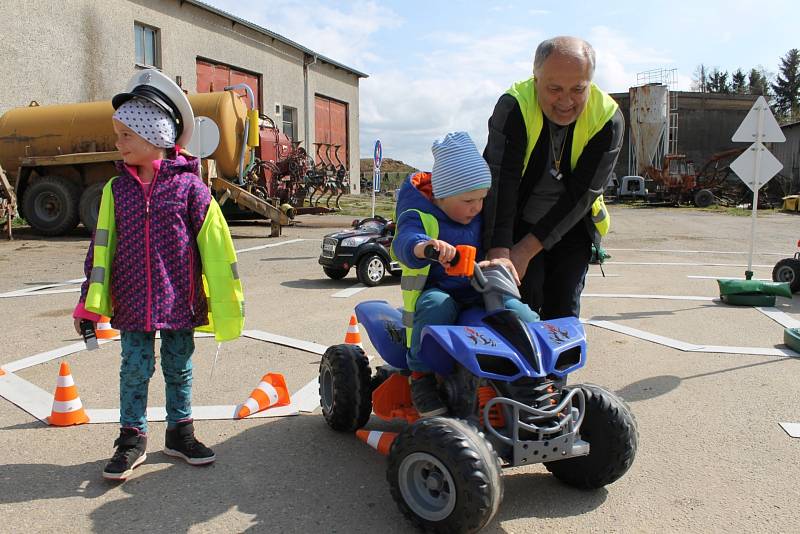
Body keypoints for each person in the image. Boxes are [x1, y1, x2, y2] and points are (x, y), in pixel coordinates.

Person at [72, 70, 244, 481]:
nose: (118, 143)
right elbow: (100, 250)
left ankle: (179, 432)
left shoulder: (191, 190)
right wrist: (88, 303)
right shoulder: (116, 190)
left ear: (156, 138)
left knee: (178, 366)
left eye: (125, 134)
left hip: (179, 299)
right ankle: (132, 438)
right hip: (131, 300)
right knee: (134, 367)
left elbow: (218, 253)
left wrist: (225, 305)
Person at [392, 131, 539, 417]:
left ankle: (536, 377)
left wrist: (494, 260)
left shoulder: (480, 214)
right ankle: (420, 377)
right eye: (468, 200)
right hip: (440, 288)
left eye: (482, 199)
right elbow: (403, 242)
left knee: (521, 314)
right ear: (442, 196)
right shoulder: (420, 214)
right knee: (436, 307)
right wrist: (426, 246)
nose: (477, 207)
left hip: (479, 289)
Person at [482, 36, 624, 320]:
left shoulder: (608, 118)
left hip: (572, 223)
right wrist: (500, 250)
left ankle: (560, 366)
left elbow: (582, 195)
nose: (566, 101)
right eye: (555, 88)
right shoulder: (514, 107)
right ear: (536, 80)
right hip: (517, 220)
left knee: (563, 309)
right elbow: (501, 181)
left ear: (590, 83)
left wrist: (526, 251)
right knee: (520, 306)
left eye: (578, 89)